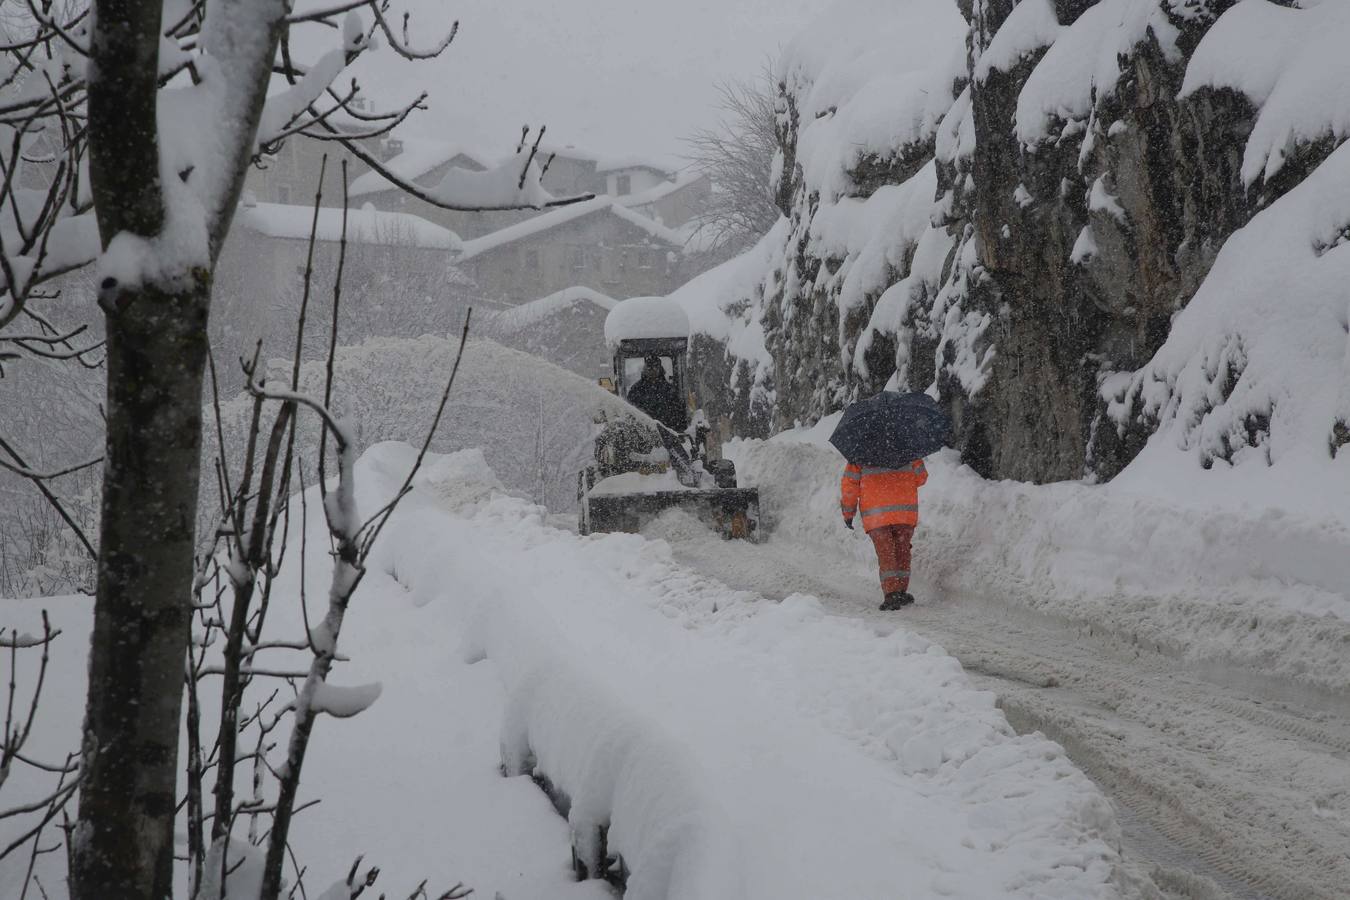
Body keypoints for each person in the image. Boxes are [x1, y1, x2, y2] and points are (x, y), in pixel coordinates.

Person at [840, 458, 928, 610]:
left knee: (886, 553)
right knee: (902, 552)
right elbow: (921, 478)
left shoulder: (859, 454)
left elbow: (850, 487)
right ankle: (901, 591)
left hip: (876, 516)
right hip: (904, 512)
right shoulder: (908, 448)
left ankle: (892, 594)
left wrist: (848, 513)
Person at [626, 354, 688, 431]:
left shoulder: (669, 389)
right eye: (649, 367)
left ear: (660, 369)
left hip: (668, 432)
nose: (652, 370)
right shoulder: (636, 389)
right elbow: (630, 411)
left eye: (655, 367)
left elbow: (678, 413)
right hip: (644, 432)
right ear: (645, 369)